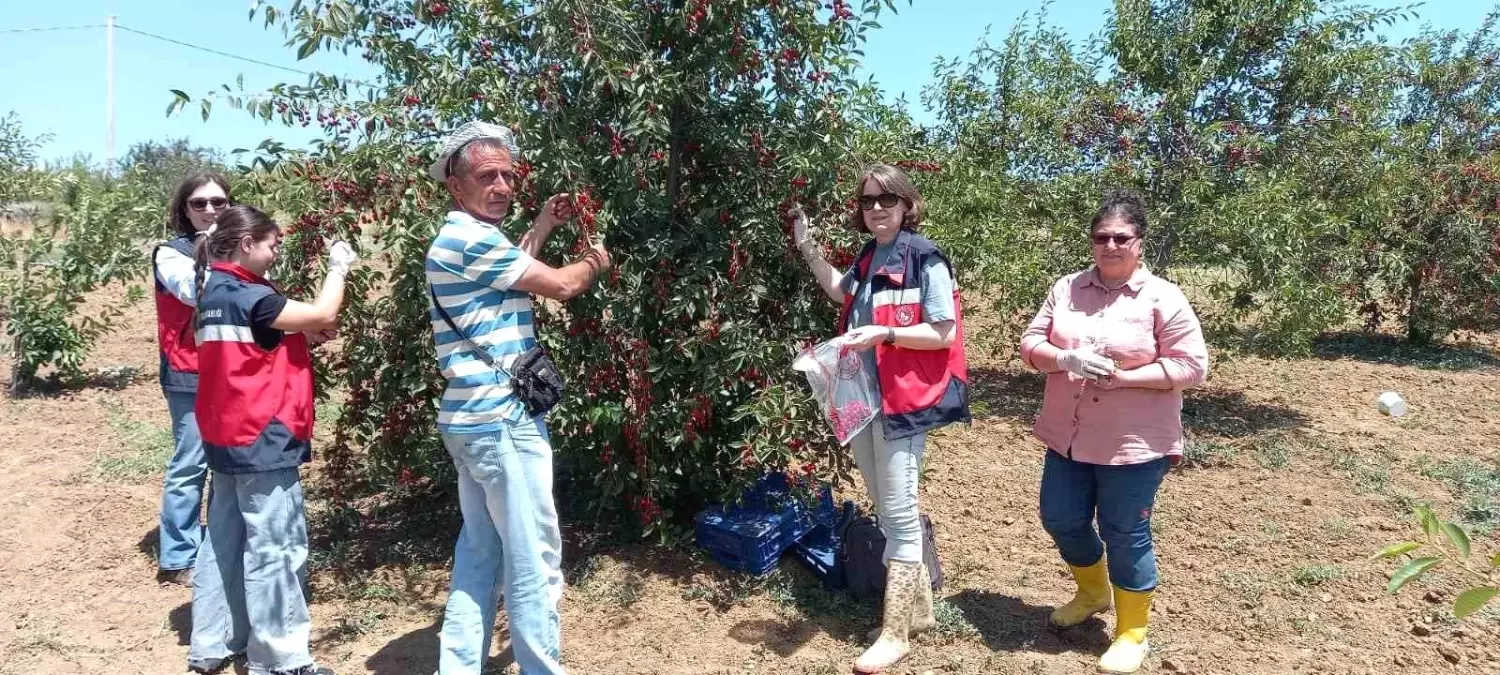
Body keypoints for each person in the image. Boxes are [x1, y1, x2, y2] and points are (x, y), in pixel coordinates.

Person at [424, 121, 612, 675]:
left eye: (508, 174)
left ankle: (457, 667)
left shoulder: (467, 237)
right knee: (531, 556)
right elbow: (560, 285)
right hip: (501, 423)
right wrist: (598, 258)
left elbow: (512, 270)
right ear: (456, 186)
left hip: (470, 421)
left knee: (481, 552)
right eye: (487, 176)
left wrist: (544, 224)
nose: (503, 184)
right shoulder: (469, 237)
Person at [1017, 190, 1209, 674]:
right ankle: (1093, 591)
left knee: (1125, 532)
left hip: (1134, 442)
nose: (1110, 245)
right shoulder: (1068, 288)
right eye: (1102, 237)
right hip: (1069, 435)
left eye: (1121, 237)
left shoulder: (1163, 297)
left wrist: (1126, 378)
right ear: (1091, 242)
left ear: (1139, 242)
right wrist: (1064, 358)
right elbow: (1031, 343)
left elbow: (1192, 365)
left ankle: (1132, 632)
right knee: (1061, 517)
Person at [790, 163, 970, 674]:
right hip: (867, 398)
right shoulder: (870, 257)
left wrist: (884, 335)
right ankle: (920, 615)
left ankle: (895, 635)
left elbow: (943, 333)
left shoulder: (926, 257)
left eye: (886, 200)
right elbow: (839, 293)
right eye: (868, 201)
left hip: (905, 402)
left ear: (906, 205)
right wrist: (807, 246)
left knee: (899, 510)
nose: (876, 209)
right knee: (889, 509)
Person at [186, 205, 355, 675]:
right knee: (276, 546)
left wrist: (300, 339)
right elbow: (324, 310)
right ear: (246, 244)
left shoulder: (213, 294)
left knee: (223, 542)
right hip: (263, 435)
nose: (276, 251)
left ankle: (214, 643)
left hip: (224, 435)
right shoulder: (249, 295)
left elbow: (250, 350)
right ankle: (280, 660)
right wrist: (338, 267)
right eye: (272, 243)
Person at [153, 171, 233, 586]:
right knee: (190, 462)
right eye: (199, 203)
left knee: (226, 461)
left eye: (218, 203)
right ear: (183, 209)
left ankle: (216, 543)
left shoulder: (240, 248)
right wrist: (211, 248)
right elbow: (194, 290)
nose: (209, 210)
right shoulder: (170, 253)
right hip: (188, 372)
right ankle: (178, 557)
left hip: (231, 371)